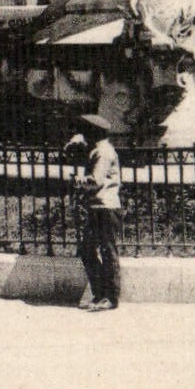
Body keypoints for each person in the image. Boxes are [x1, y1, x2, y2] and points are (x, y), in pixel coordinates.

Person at [65, 121, 122, 312]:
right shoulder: (97, 149)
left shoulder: (103, 152)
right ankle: (100, 294)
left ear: (94, 132)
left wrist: (79, 180)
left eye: (86, 131)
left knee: (107, 251)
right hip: (98, 207)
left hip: (106, 207)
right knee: (88, 250)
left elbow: (95, 181)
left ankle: (110, 297)